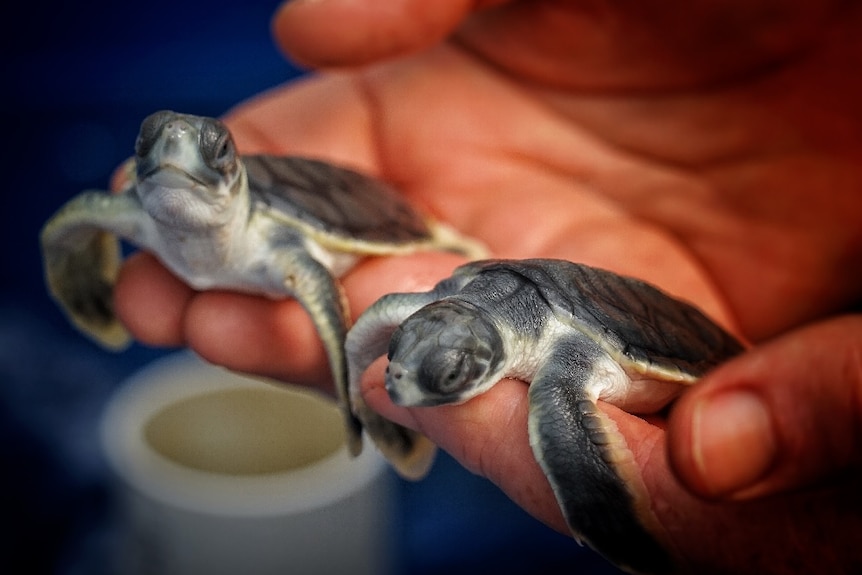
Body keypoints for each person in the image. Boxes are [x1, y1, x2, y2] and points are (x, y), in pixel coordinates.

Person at [114, 1, 862, 572]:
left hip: (653, 330)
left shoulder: (560, 370)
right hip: (525, 294)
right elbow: (374, 324)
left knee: (577, 457)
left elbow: (567, 444)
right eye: (408, 369)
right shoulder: (437, 301)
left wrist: (619, 526)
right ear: (439, 309)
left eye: (425, 381)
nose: (402, 390)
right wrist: (371, 383)